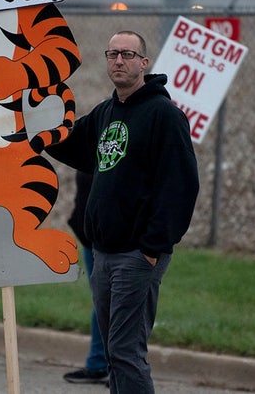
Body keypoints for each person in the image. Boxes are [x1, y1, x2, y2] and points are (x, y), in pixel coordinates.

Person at [46, 30, 200, 393]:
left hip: (137, 254)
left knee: (126, 350)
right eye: (113, 54)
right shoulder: (106, 111)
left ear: (144, 63)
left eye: (128, 55)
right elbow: (73, 146)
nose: (119, 61)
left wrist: (152, 247)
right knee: (115, 351)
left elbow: (182, 187)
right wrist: (34, 126)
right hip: (103, 253)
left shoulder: (165, 115)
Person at [63, 169, 109, 385]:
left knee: (118, 305)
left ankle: (118, 368)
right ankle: (98, 364)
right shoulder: (92, 143)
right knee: (101, 303)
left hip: (114, 241)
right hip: (91, 239)